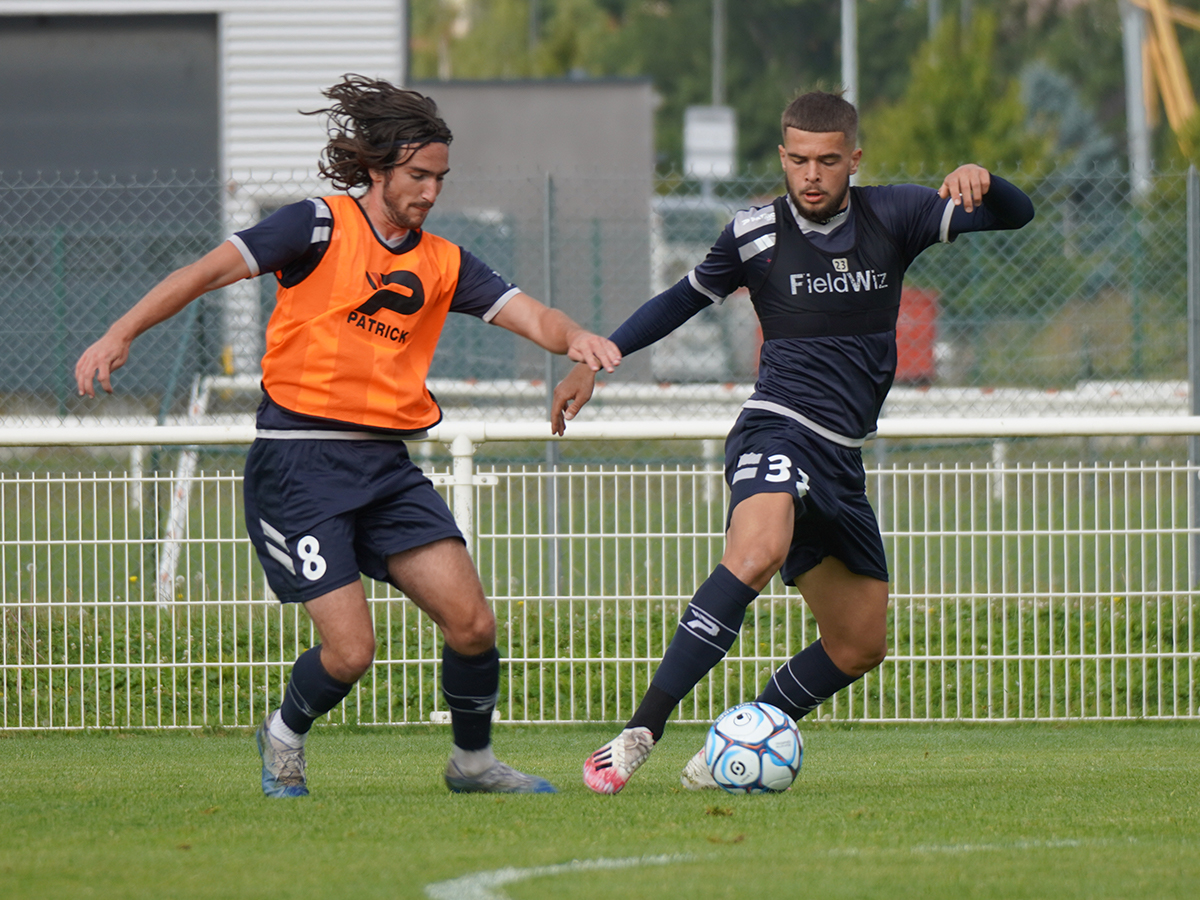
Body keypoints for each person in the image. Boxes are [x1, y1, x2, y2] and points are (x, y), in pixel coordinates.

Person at [76, 75, 622, 798]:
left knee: (472, 623)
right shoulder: (315, 226)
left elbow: (537, 317)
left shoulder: (446, 263)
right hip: (299, 468)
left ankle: (472, 763)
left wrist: (577, 337)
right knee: (351, 651)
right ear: (377, 168)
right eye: (417, 176)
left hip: (385, 469)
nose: (430, 192)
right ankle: (283, 735)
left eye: (440, 178)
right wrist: (119, 334)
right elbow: (203, 273)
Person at [551, 90, 1034, 794]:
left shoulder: (896, 215)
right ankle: (639, 732)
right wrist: (596, 359)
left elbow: (1016, 216)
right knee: (755, 551)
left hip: (841, 455)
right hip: (777, 423)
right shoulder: (752, 233)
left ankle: (733, 744)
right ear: (782, 156)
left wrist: (987, 179)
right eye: (799, 159)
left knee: (860, 642)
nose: (812, 174)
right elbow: (679, 300)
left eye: (828, 160)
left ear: (854, 160)